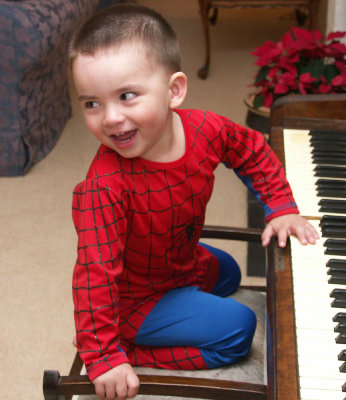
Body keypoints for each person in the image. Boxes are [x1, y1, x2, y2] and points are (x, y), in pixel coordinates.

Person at [68, 4, 319, 400]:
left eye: (127, 96)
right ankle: (132, 348)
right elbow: (93, 275)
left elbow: (250, 148)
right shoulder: (104, 186)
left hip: (178, 261)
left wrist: (282, 205)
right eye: (92, 103)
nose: (111, 118)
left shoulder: (206, 128)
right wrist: (102, 355)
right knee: (239, 328)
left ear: (174, 90)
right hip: (136, 299)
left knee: (231, 273)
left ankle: (183, 300)